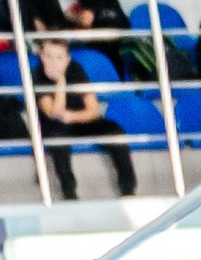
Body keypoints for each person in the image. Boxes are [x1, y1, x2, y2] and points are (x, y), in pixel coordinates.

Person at [32, 33, 132, 193]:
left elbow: (94, 110)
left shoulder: (76, 69)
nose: (53, 62)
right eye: (48, 56)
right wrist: (60, 82)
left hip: (78, 120)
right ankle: (69, 191)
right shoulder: (37, 74)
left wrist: (72, 117)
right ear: (41, 57)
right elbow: (54, 113)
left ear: (67, 59)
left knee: (114, 130)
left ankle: (128, 188)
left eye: (59, 57)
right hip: (54, 126)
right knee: (58, 138)